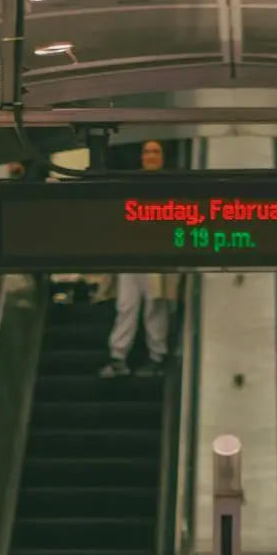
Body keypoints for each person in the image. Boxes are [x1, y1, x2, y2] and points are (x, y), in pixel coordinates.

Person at [100, 140, 175, 377]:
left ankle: (157, 357)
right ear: (141, 157)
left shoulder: (172, 186)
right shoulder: (130, 183)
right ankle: (118, 357)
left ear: (162, 158)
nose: (150, 156)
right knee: (126, 305)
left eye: (155, 152)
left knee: (155, 306)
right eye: (147, 152)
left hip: (157, 255)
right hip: (131, 252)